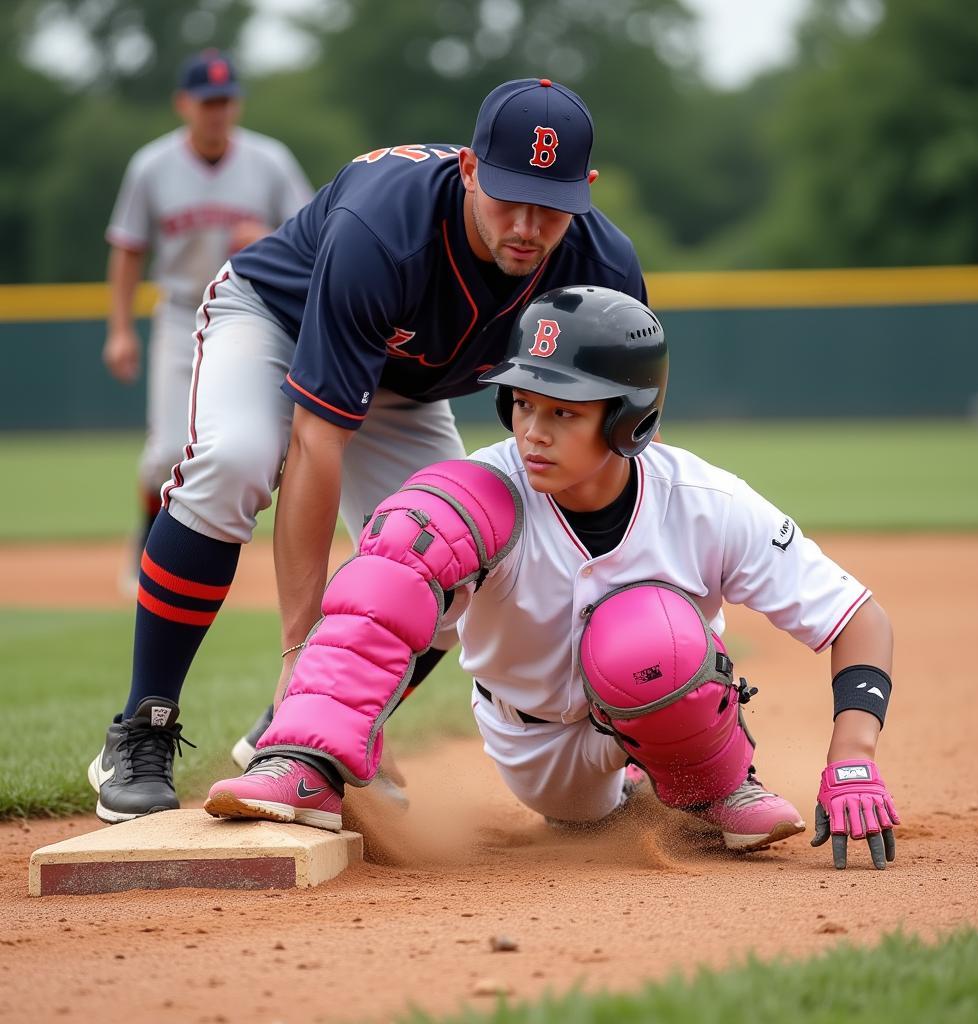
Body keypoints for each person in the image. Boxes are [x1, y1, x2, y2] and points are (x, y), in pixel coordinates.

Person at [88, 78, 648, 825]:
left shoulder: (601, 267)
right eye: (509, 195)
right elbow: (317, 442)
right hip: (276, 319)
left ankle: (317, 733)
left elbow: (622, 457)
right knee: (236, 460)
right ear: (470, 169)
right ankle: (140, 728)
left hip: (404, 385)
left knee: (454, 564)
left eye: (551, 205)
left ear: (587, 192)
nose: (526, 224)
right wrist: (298, 658)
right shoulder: (385, 227)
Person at [205, 286, 900, 870]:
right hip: (539, 748)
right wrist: (315, 741)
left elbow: (857, 618)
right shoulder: (487, 490)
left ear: (631, 423)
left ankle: (708, 790)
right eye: (524, 402)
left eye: (564, 412)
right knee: (413, 531)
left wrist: (854, 755)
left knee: (648, 635)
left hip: (672, 704)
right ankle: (302, 761)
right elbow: (378, 612)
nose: (533, 431)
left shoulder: (704, 503)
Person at [103, 49, 313, 584]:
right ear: (184, 105)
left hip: (257, 314)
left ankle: (215, 550)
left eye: (225, 101)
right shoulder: (152, 166)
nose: (216, 112)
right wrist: (121, 329)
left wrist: (266, 238)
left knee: (264, 445)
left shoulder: (270, 161)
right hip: (180, 314)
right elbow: (128, 249)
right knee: (167, 452)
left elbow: (318, 235)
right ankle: (148, 540)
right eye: (206, 102)